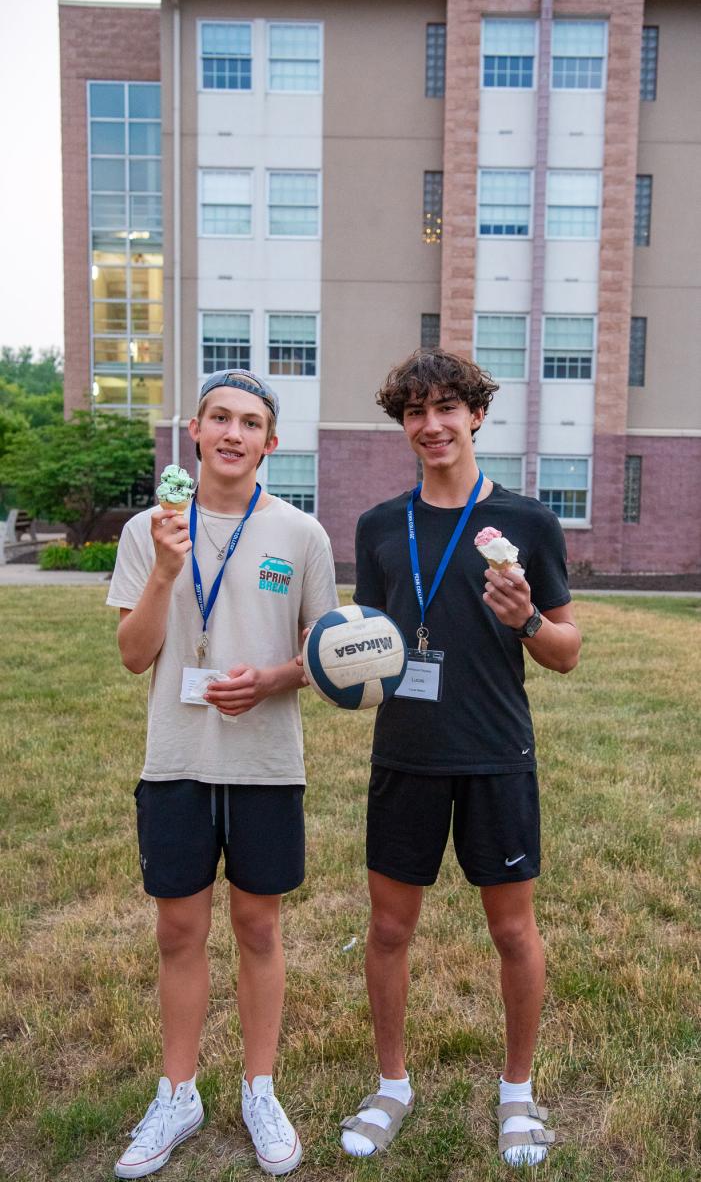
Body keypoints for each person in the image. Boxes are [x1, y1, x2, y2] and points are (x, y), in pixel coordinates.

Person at [341, 348, 581, 1168]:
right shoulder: (379, 527)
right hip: (404, 753)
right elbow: (365, 646)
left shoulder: (527, 523)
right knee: (387, 927)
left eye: (447, 407)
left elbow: (567, 650)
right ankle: (391, 1086)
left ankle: (516, 1093)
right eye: (414, 412)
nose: (431, 425)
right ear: (402, 425)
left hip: (493, 752)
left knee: (512, 931)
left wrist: (525, 621)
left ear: (476, 415)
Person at [107, 369, 337, 1179]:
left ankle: (258, 1085)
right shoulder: (151, 530)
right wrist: (167, 570)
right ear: (194, 433)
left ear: (270, 443)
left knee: (258, 927)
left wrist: (269, 680)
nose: (234, 434)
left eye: (250, 423)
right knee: (178, 931)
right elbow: (136, 657)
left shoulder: (302, 535)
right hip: (176, 760)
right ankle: (178, 1093)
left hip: (267, 764)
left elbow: (323, 653)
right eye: (219, 419)